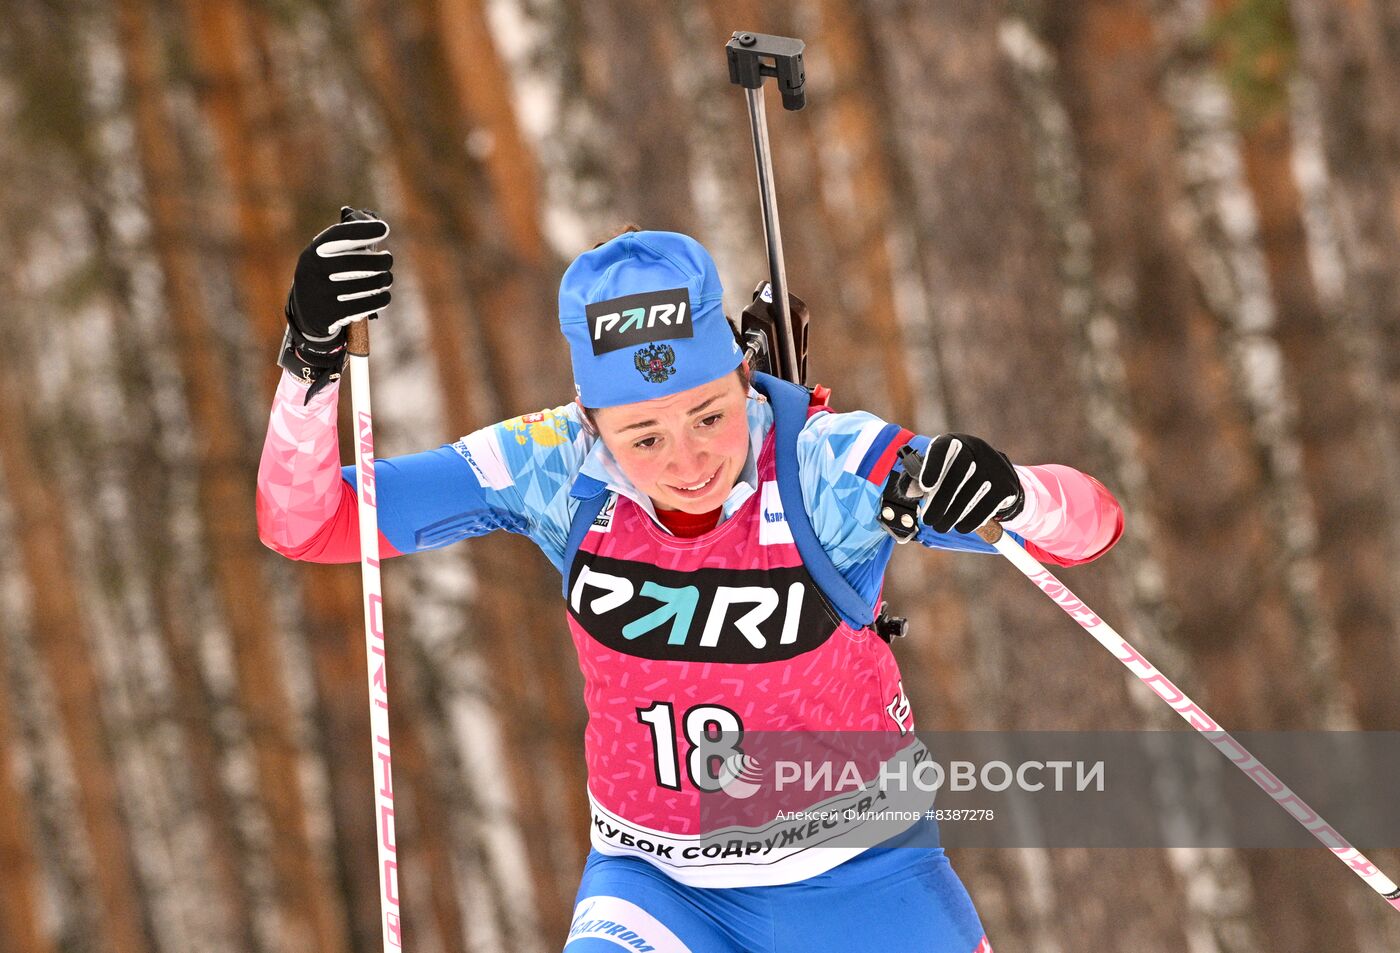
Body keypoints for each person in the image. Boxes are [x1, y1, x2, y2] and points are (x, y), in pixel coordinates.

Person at [257, 216, 1123, 953]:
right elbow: (309, 523)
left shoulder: (825, 463)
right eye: (643, 437)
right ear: (589, 419)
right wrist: (310, 359)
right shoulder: (552, 465)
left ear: (745, 376)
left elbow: (1090, 527)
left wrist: (1012, 488)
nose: (688, 460)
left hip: (863, 878)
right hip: (657, 882)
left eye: (710, 415)